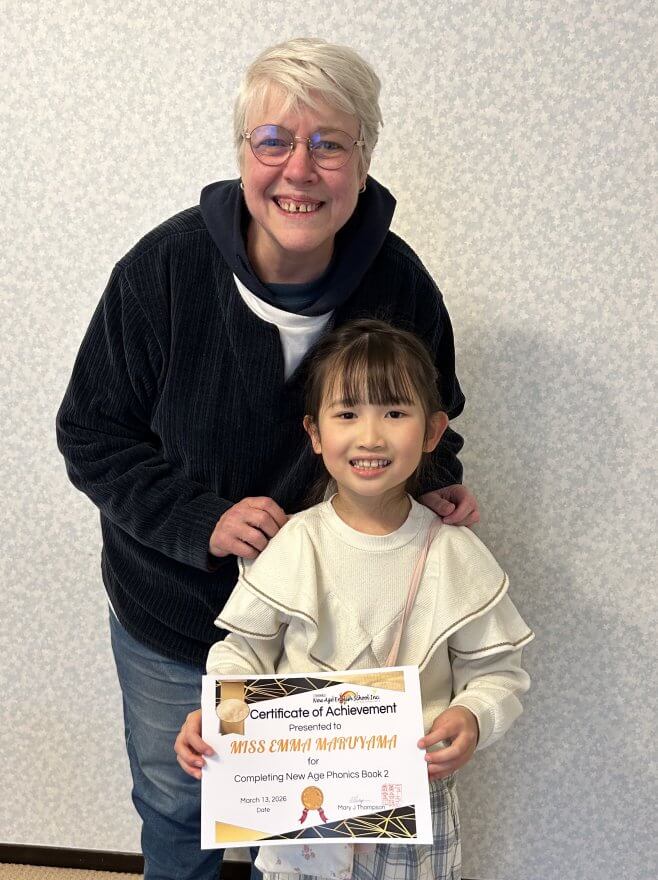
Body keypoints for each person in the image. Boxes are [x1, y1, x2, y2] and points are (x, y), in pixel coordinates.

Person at [57, 38, 480, 880]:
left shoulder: (400, 286)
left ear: (364, 161)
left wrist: (438, 484)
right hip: (176, 613)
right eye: (274, 141)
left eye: (330, 144)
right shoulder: (163, 271)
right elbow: (91, 433)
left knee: (309, 832)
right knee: (180, 806)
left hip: (326, 631)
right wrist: (200, 520)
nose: (300, 170)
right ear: (242, 153)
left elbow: (430, 421)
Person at [175, 320, 533, 880]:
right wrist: (221, 715)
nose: (370, 436)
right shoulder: (294, 543)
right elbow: (242, 652)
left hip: (413, 798)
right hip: (298, 795)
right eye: (346, 414)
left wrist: (472, 716)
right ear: (314, 433)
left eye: (394, 412)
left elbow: (498, 674)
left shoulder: (454, 553)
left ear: (433, 431)